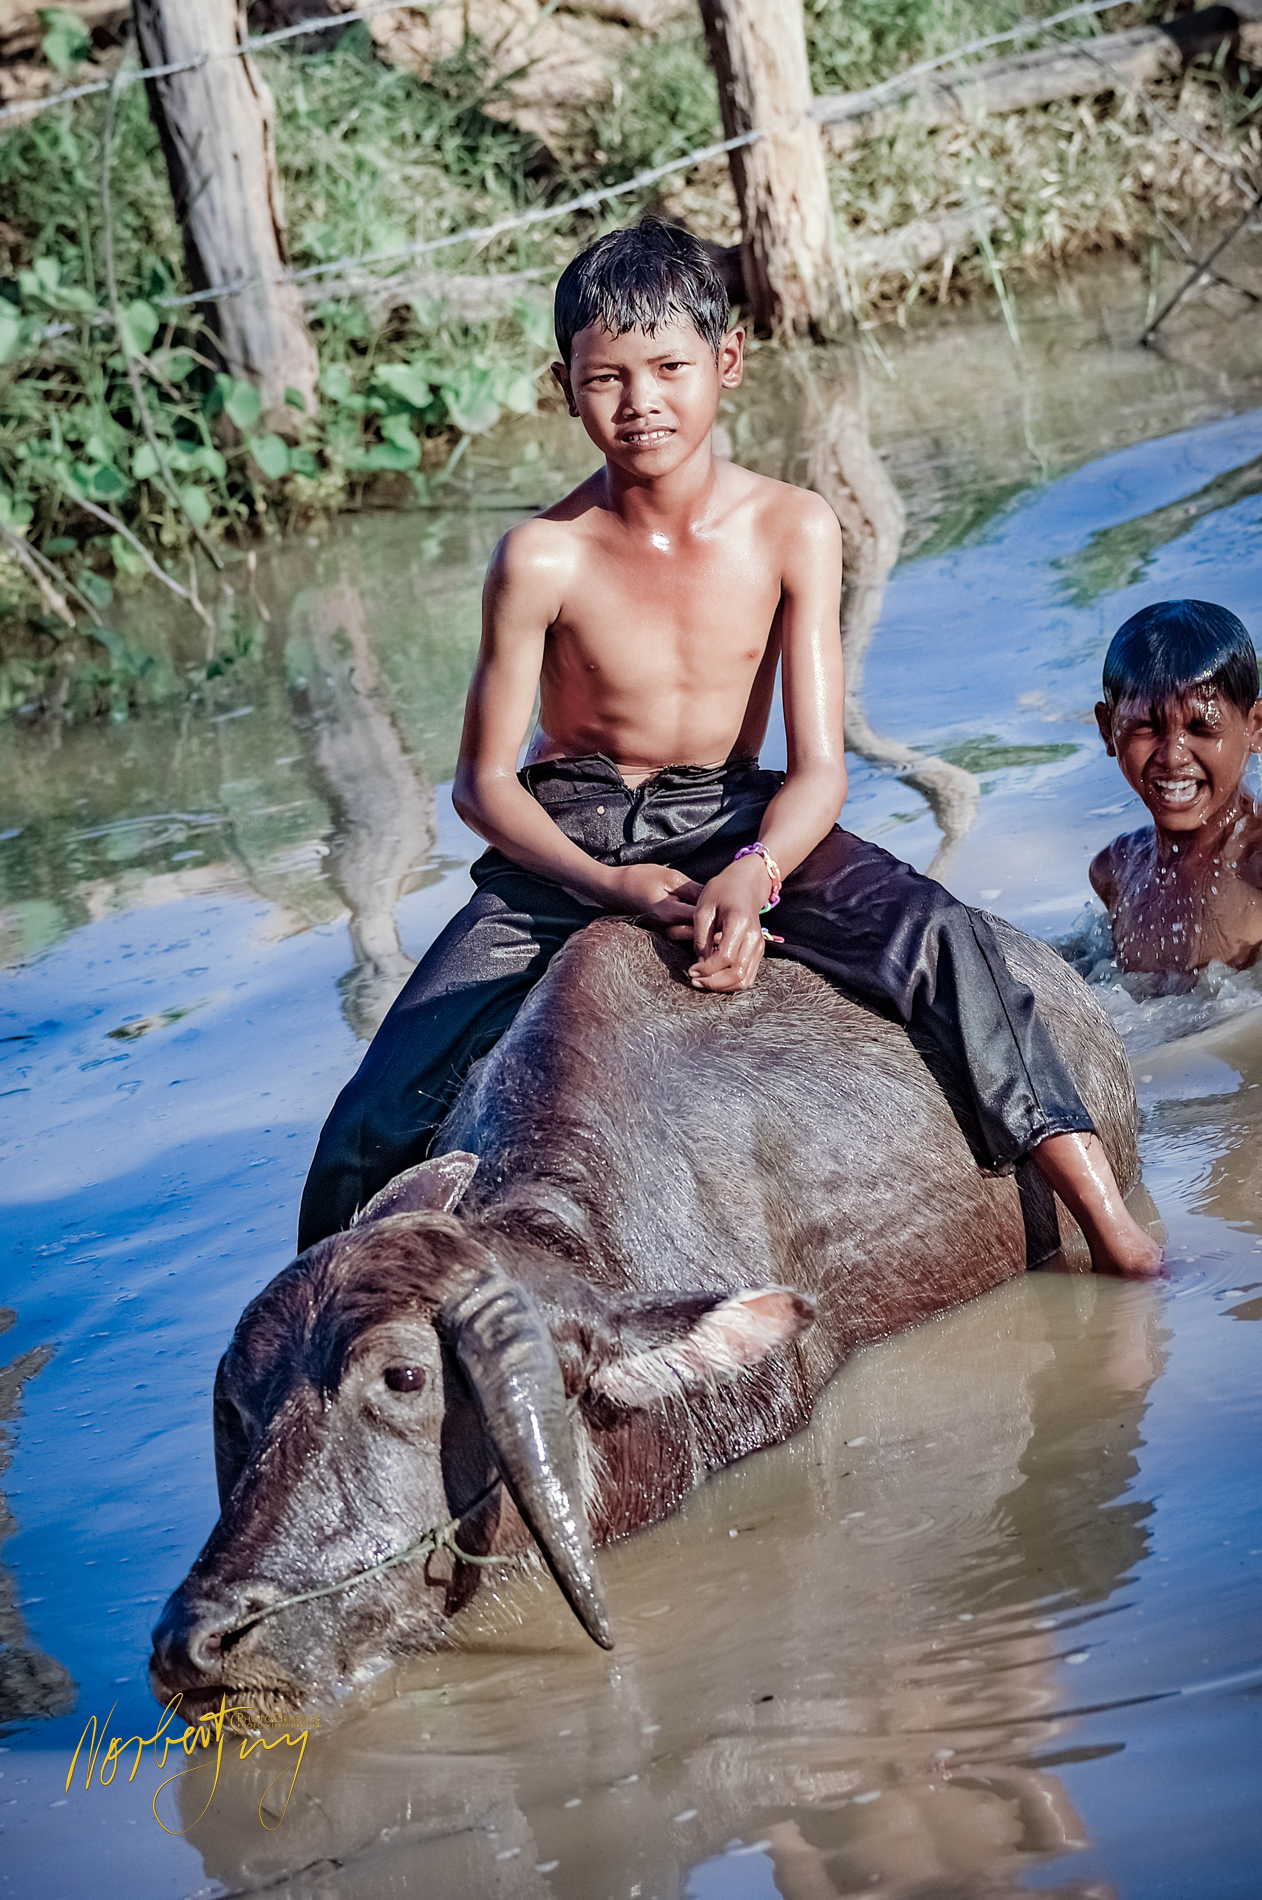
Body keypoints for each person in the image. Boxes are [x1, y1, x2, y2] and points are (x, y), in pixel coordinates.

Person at [297, 216, 1159, 1276]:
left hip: (729, 808)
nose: (641, 400)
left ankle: (1108, 1224)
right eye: (606, 376)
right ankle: (330, 1333)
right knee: (371, 1114)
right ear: (563, 387)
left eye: (668, 367)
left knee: (948, 944)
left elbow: (817, 770)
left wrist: (756, 871)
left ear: (728, 362)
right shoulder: (540, 556)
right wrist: (606, 883)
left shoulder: (793, 526)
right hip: (568, 822)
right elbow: (481, 786)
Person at [1091, 598, 1262, 980]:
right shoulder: (1116, 870)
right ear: (1108, 729)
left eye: (1202, 728)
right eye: (1145, 728)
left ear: (1256, 726)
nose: (1172, 756)